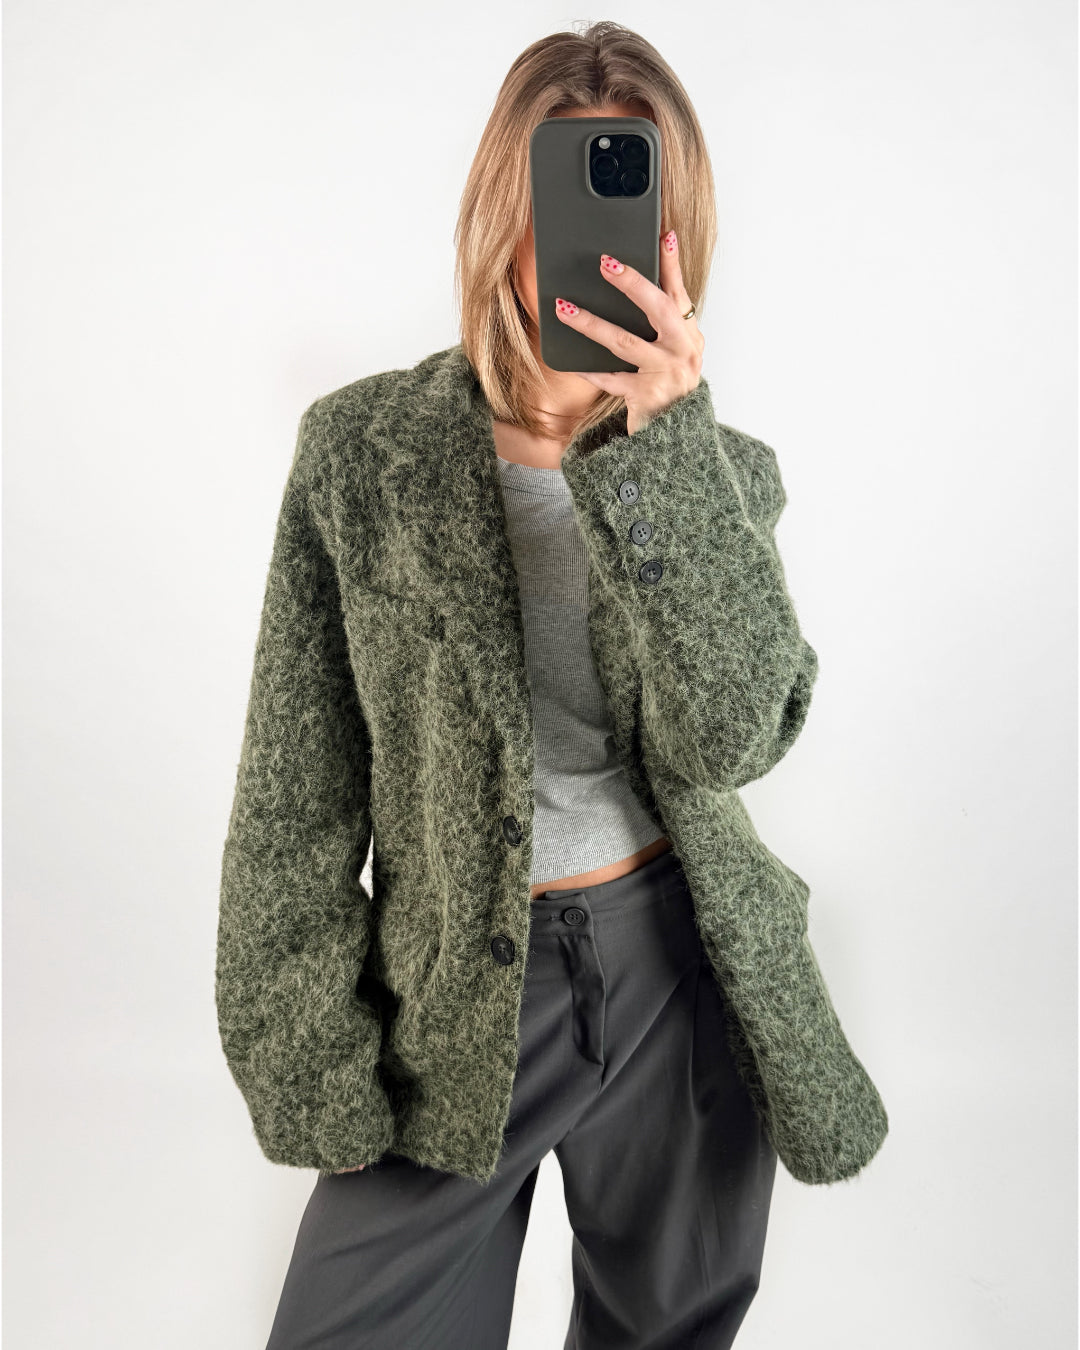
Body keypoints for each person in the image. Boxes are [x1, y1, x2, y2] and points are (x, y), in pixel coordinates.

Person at [216, 21, 888, 1350]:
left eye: (633, 201)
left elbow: (736, 734)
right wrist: (312, 1058)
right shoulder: (363, 453)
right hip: (459, 989)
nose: (592, 243)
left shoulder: (717, 474)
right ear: (501, 212)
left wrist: (667, 451)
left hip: (677, 969)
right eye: (562, 196)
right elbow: (294, 799)